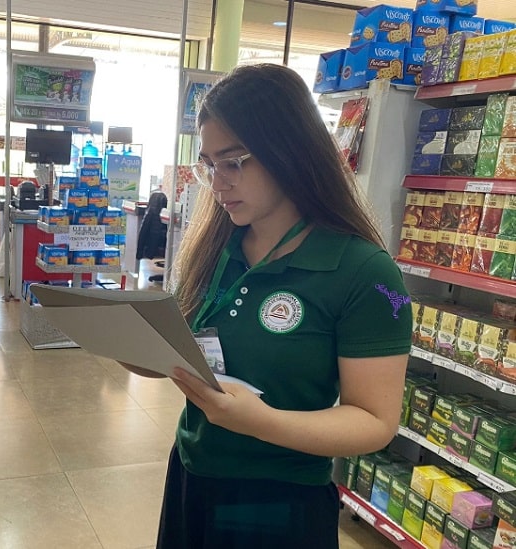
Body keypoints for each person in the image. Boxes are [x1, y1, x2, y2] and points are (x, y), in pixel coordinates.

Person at [120, 64, 412, 548]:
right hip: (193, 474)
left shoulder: (364, 272)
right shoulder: (215, 245)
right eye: (209, 165)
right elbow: (190, 351)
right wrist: (139, 348)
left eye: (234, 162)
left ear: (290, 149)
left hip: (282, 499)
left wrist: (262, 422)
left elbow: (375, 421)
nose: (218, 184)